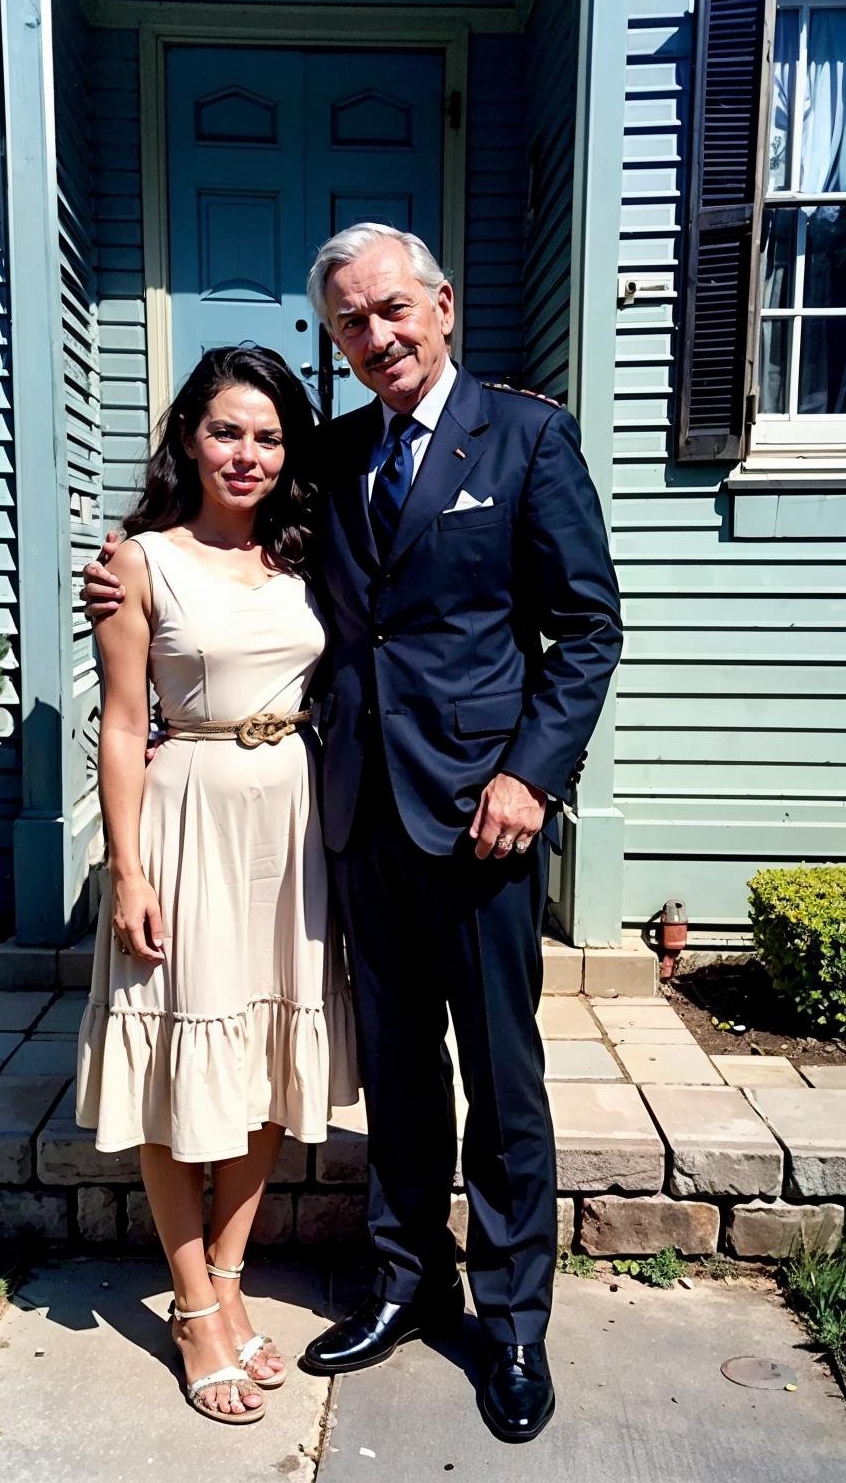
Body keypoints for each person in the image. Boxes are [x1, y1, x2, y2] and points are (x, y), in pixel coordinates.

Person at [84, 223, 623, 1446]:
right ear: (331, 339)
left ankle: (513, 1319)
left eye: (391, 311)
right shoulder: (322, 456)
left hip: (484, 817)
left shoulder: (528, 437)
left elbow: (585, 629)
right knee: (392, 1068)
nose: (374, 337)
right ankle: (404, 1280)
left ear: (440, 303)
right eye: (348, 324)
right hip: (351, 818)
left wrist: (532, 779)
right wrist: (122, 583)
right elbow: (219, 559)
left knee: (500, 1072)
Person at [74, 345, 357, 1427]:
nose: (247, 454)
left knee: (266, 1059)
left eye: (269, 436)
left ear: (291, 455)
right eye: (227, 430)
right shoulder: (138, 560)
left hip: (289, 821)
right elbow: (123, 722)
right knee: (177, 1058)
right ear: (189, 435)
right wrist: (129, 866)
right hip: (185, 811)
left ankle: (230, 1281)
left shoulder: (307, 555)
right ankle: (191, 1307)